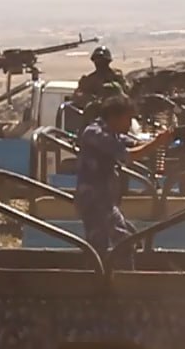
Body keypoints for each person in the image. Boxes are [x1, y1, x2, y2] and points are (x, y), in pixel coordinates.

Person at [75, 95, 175, 268]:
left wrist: (162, 139)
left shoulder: (112, 133)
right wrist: (156, 143)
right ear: (114, 117)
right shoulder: (95, 133)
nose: (130, 124)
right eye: (127, 119)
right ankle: (122, 280)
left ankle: (101, 280)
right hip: (95, 200)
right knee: (121, 243)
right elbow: (128, 155)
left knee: (105, 246)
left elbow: (135, 143)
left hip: (103, 200)